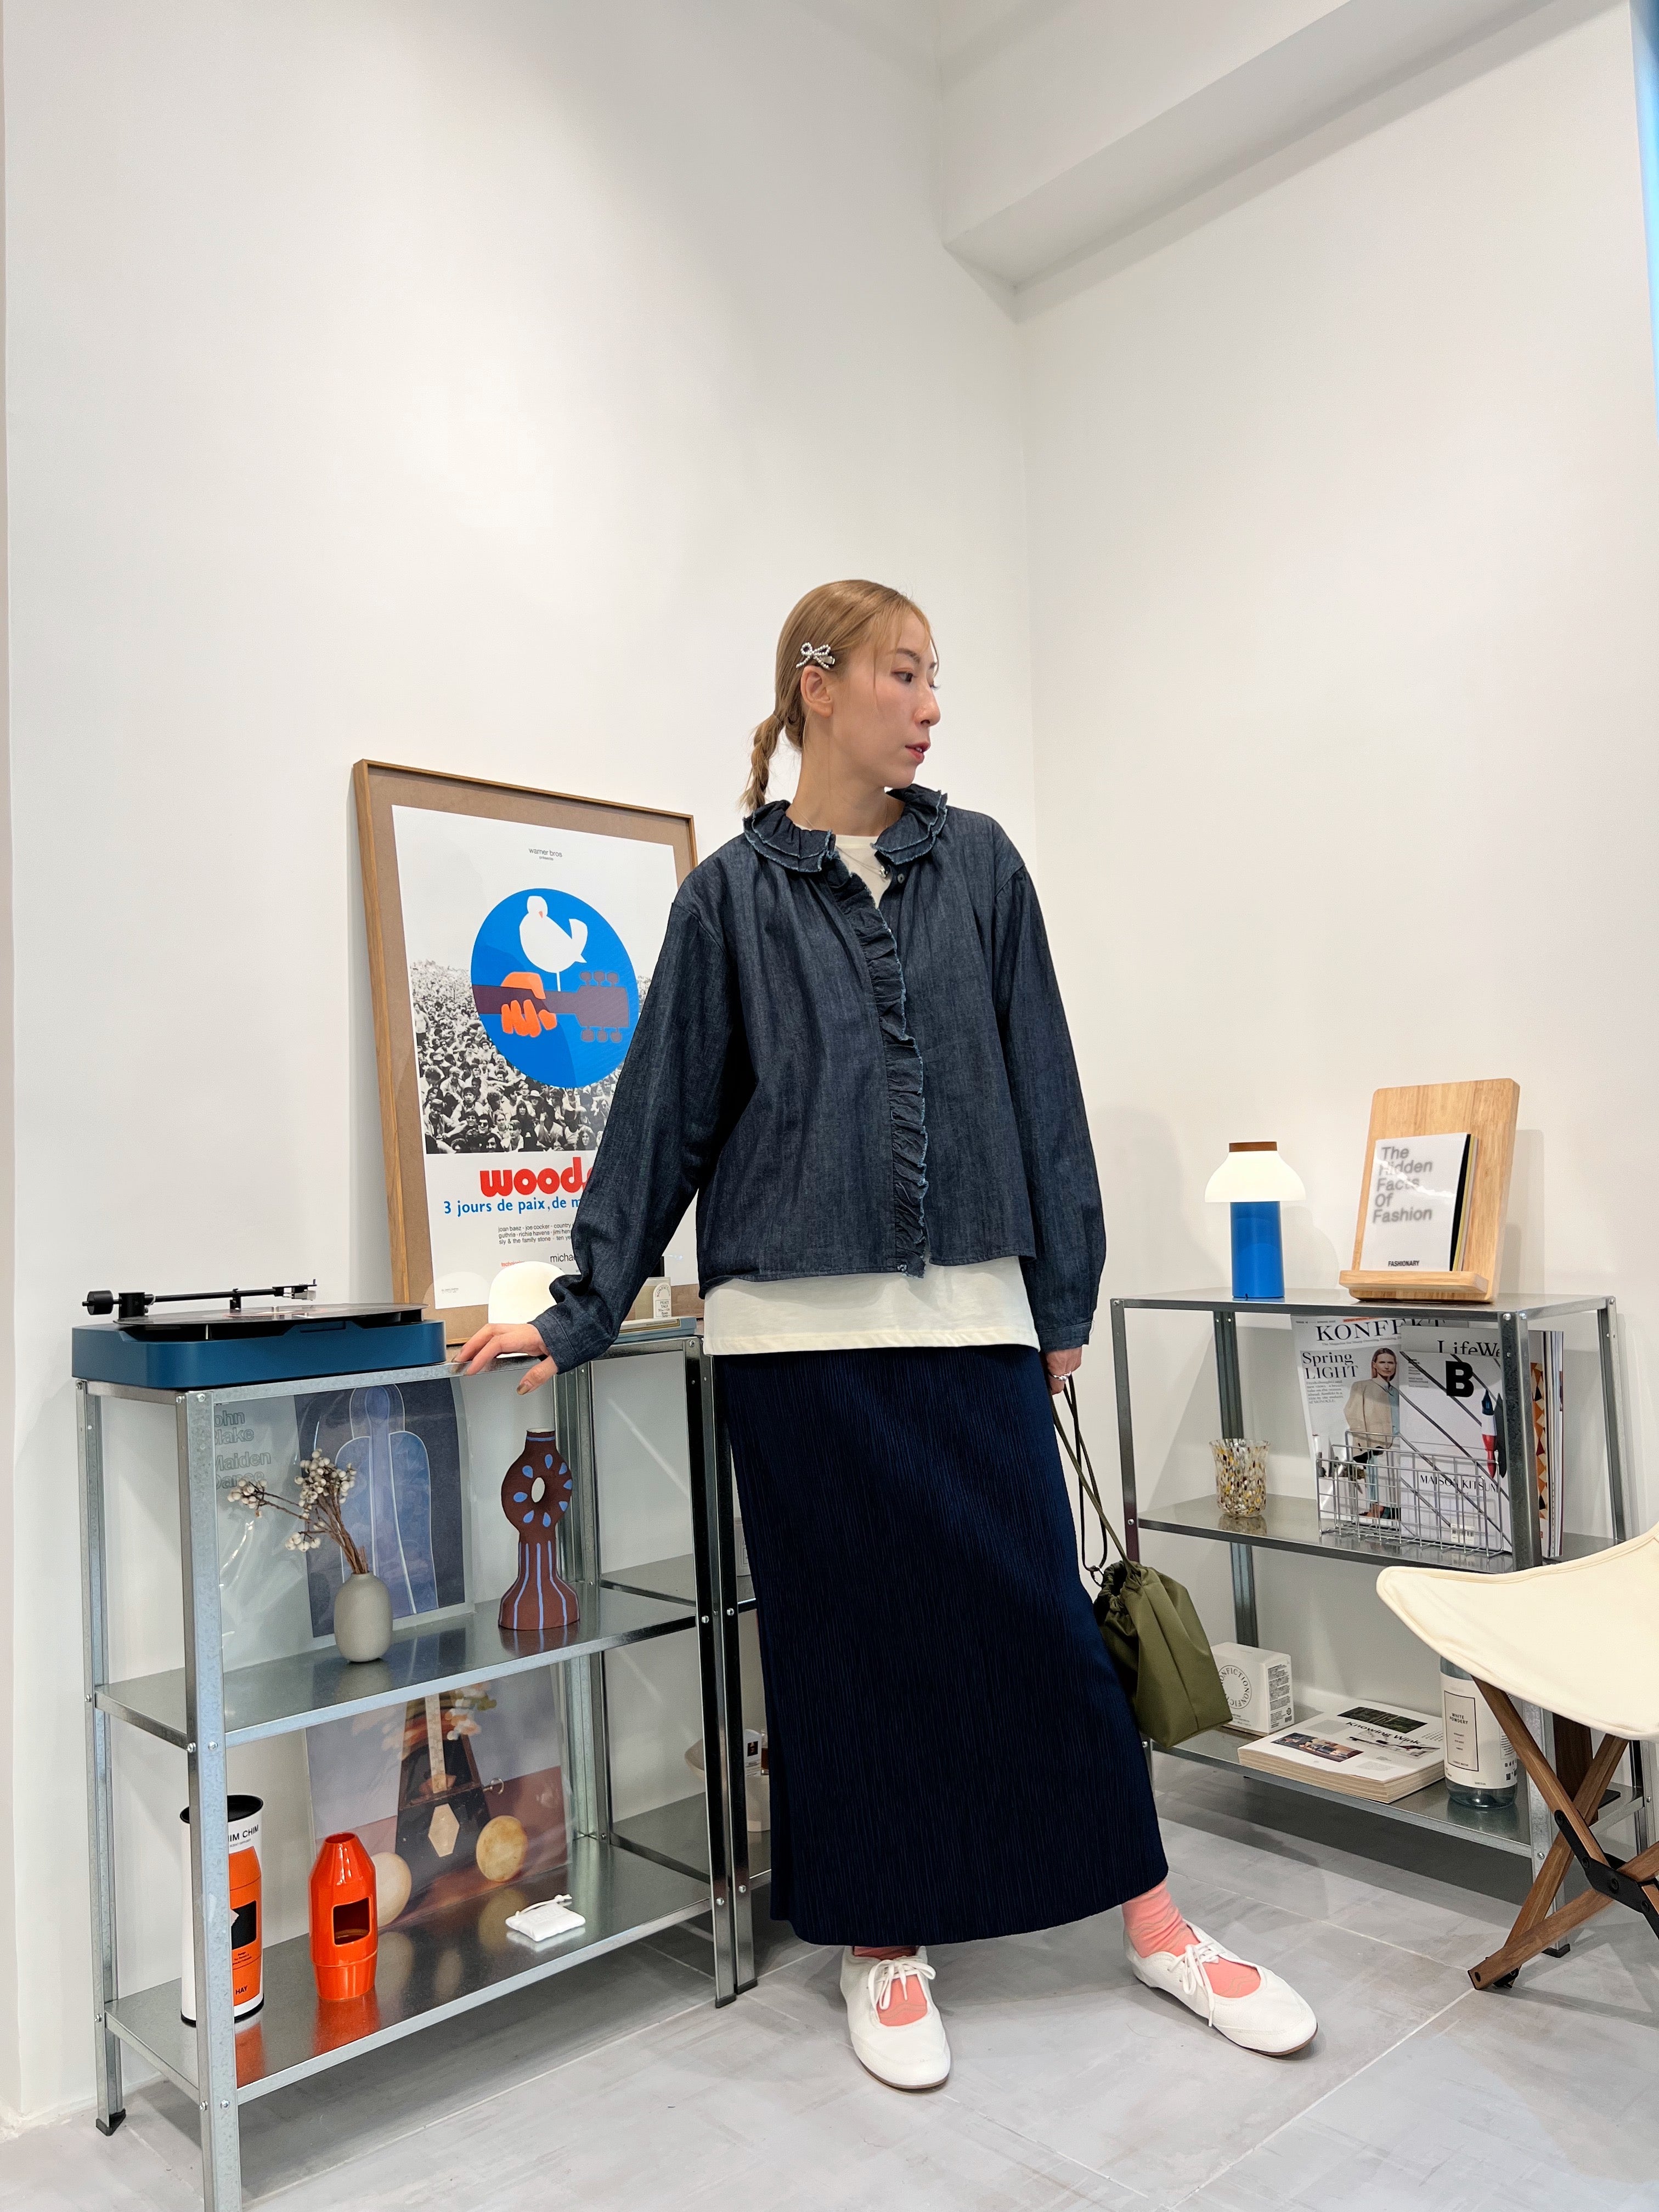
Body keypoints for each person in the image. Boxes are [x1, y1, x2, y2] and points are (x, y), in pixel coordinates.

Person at [460, 579, 1317, 2086]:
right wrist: (579, 1307)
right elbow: (662, 1118)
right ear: (818, 683)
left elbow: (1041, 1083)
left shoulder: (979, 866)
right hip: (794, 1347)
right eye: (904, 674)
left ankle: (1155, 1919)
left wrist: (1062, 1297)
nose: (930, 706)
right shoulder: (728, 899)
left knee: (1038, 1626)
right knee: (848, 1652)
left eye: (935, 678)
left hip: (973, 1317)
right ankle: (883, 1939)